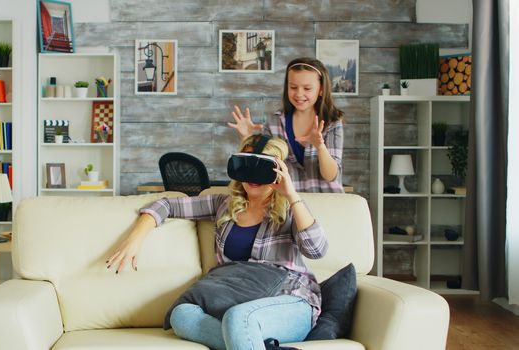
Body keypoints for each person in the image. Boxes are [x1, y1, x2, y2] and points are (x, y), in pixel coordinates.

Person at [107, 135, 328, 350]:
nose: (251, 175)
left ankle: (245, 338)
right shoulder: (223, 204)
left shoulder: (291, 209)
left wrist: (291, 195)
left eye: (261, 167)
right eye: (246, 164)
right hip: (235, 301)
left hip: (288, 301)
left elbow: (316, 250)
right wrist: (135, 239)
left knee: (237, 318)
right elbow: (166, 204)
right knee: (182, 315)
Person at [228, 57, 345, 193]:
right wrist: (247, 137)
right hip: (287, 205)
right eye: (293, 87)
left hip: (327, 203)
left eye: (307, 88)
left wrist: (320, 146)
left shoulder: (332, 122)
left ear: (321, 90)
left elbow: (331, 176)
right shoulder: (274, 122)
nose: (299, 94)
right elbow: (260, 169)